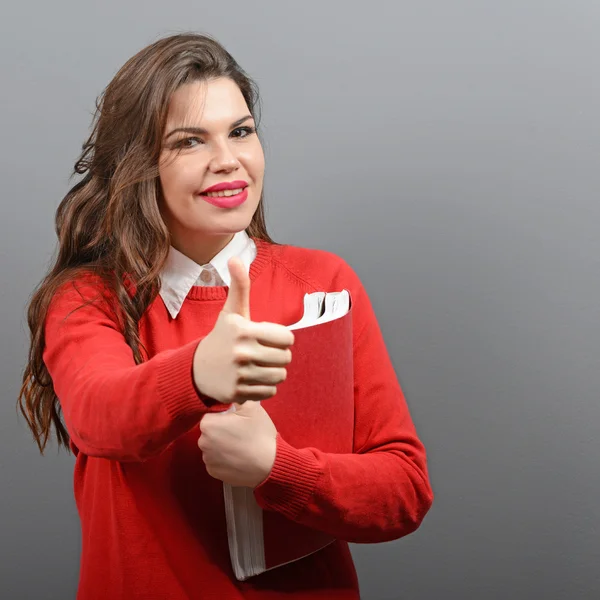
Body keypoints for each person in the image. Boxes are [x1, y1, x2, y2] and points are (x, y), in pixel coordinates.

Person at [18, 32, 433, 600]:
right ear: (140, 166)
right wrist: (196, 374)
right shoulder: (89, 298)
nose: (228, 160)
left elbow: (403, 492)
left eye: (240, 131)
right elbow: (98, 416)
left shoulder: (325, 287)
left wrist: (277, 467)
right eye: (190, 142)